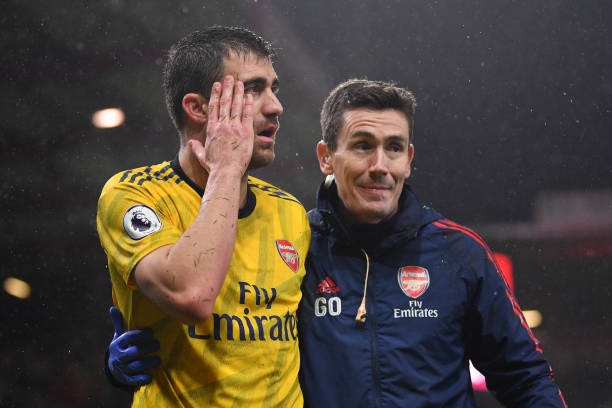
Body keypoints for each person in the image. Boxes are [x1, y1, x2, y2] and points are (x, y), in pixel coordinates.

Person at [107, 78, 567, 407]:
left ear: (409, 160)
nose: (380, 165)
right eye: (363, 145)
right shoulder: (292, 244)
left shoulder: (459, 254)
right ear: (327, 157)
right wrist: (133, 356)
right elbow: (226, 329)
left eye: (393, 148)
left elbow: (525, 378)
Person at [96, 26, 310, 407]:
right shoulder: (134, 194)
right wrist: (227, 168)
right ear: (197, 108)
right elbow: (193, 296)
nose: (276, 106)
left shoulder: (292, 212)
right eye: (252, 89)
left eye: (274, 89)